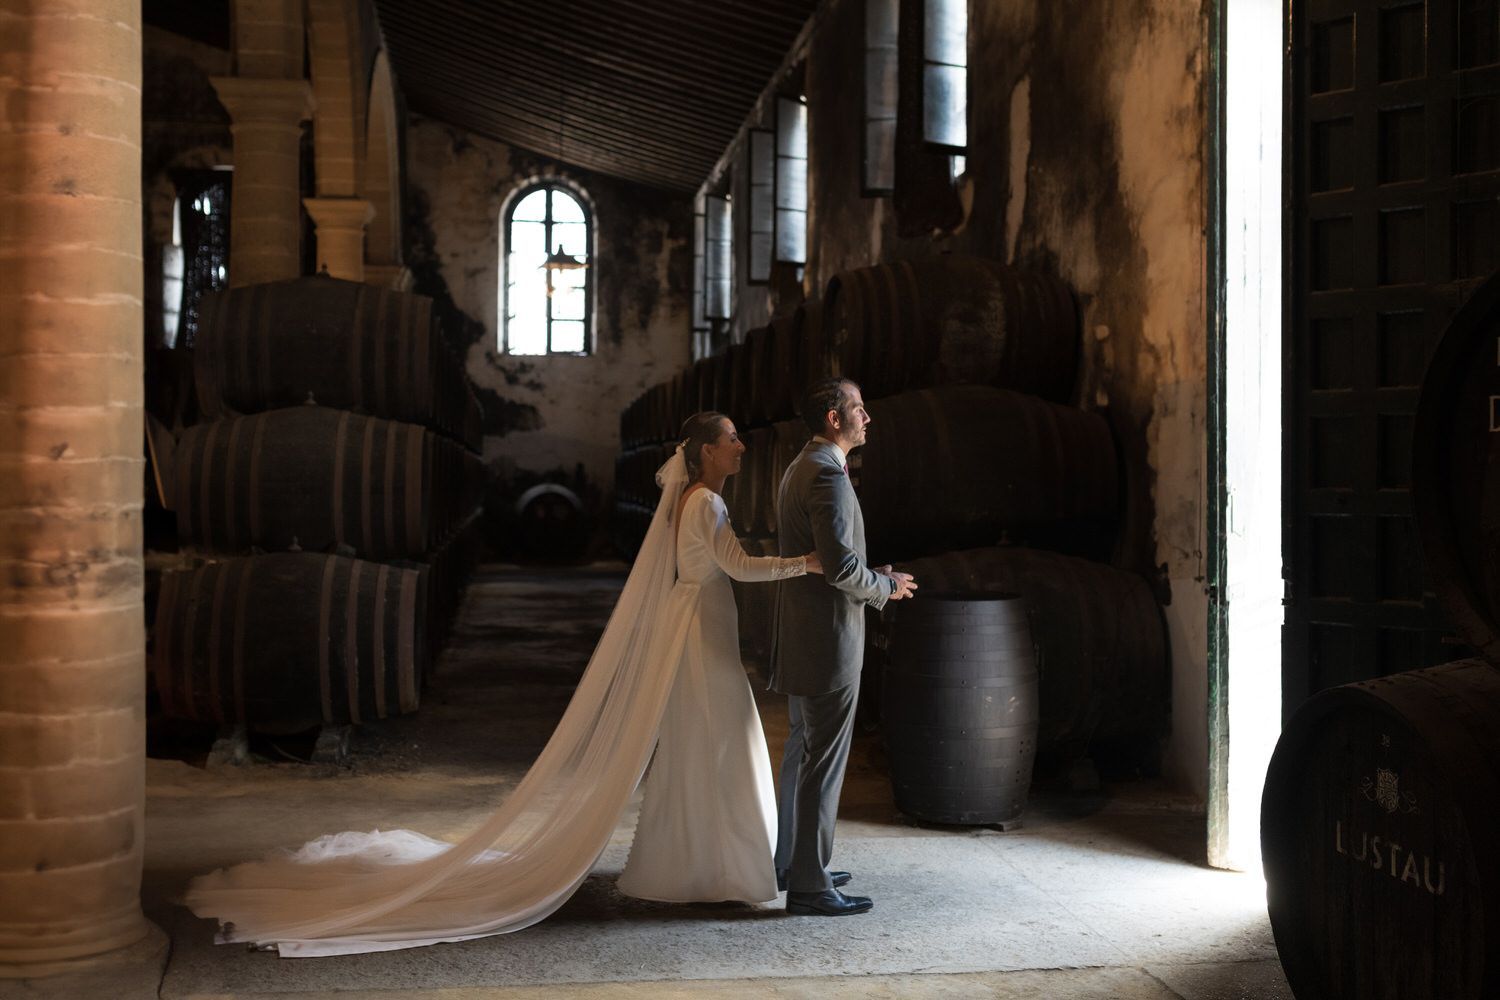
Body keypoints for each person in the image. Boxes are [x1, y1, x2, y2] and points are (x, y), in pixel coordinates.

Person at [183, 412, 818, 955]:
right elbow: (736, 565)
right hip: (701, 637)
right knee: (722, 740)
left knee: (700, 747)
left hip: (695, 629)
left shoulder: (693, 498)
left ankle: (696, 869)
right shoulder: (706, 500)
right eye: (731, 438)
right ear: (707, 451)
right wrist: (806, 563)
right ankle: (714, 869)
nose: (741, 446)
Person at [771, 377, 916, 917]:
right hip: (828, 639)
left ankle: (793, 863)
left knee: (802, 755)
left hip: (805, 633)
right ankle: (809, 885)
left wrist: (866, 573)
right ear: (835, 418)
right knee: (822, 763)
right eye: (859, 408)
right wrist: (887, 587)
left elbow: (831, 558)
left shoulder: (801, 464)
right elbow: (840, 569)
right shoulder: (828, 476)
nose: (867, 416)